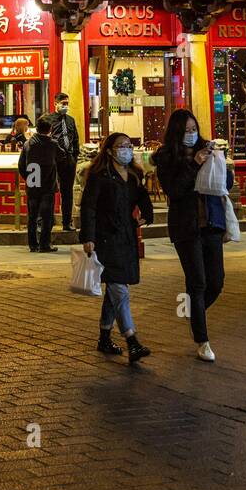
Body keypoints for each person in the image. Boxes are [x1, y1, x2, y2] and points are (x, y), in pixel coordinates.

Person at [154, 109, 234, 363]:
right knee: (197, 281)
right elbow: (174, 190)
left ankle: (192, 311)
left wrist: (221, 161)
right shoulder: (166, 157)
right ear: (177, 132)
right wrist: (194, 163)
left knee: (216, 281)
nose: (191, 134)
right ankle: (202, 339)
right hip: (185, 227)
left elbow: (226, 183)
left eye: (194, 129)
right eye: (186, 130)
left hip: (211, 224)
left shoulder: (207, 149)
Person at [79, 131, 154, 363]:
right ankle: (131, 340)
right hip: (105, 238)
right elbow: (88, 207)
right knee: (120, 289)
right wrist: (88, 236)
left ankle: (104, 336)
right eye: (121, 146)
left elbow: (143, 198)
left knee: (114, 290)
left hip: (126, 238)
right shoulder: (99, 175)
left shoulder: (133, 175)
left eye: (129, 145)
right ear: (110, 150)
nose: (126, 149)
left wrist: (147, 215)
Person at [18, 116, 60, 252]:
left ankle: (32, 244)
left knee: (32, 216)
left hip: (32, 183)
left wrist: (28, 177)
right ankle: (45, 244)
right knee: (47, 217)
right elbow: (62, 156)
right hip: (48, 185)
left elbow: (21, 165)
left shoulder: (28, 144)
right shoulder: (53, 144)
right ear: (50, 130)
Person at [49, 92, 80, 232]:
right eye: (63, 103)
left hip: (69, 160)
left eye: (67, 103)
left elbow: (75, 140)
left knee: (67, 192)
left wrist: (74, 156)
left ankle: (67, 222)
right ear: (56, 103)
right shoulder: (47, 119)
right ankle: (45, 222)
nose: (65, 106)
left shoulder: (70, 120)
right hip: (53, 161)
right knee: (49, 191)